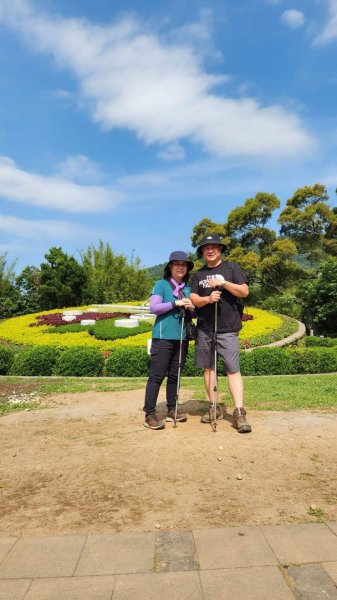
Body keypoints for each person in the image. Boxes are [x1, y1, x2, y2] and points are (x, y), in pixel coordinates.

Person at [190, 234, 251, 433]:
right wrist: (208, 299)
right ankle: (213, 406)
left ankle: (239, 411)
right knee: (208, 369)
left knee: (233, 369)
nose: (210, 250)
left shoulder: (232, 268)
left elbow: (244, 291)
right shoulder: (198, 274)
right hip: (205, 328)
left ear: (220, 250)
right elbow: (193, 298)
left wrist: (224, 284)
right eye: (206, 248)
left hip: (228, 329)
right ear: (202, 252)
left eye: (214, 247)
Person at [143, 251, 195, 430]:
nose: (181, 267)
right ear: (170, 267)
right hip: (163, 338)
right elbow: (154, 307)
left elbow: (195, 313)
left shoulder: (188, 288)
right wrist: (175, 303)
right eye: (177, 264)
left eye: (184, 264)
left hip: (182, 338)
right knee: (157, 376)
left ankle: (172, 409)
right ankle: (150, 413)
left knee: (175, 376)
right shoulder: (161, 285)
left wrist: (191, 307)